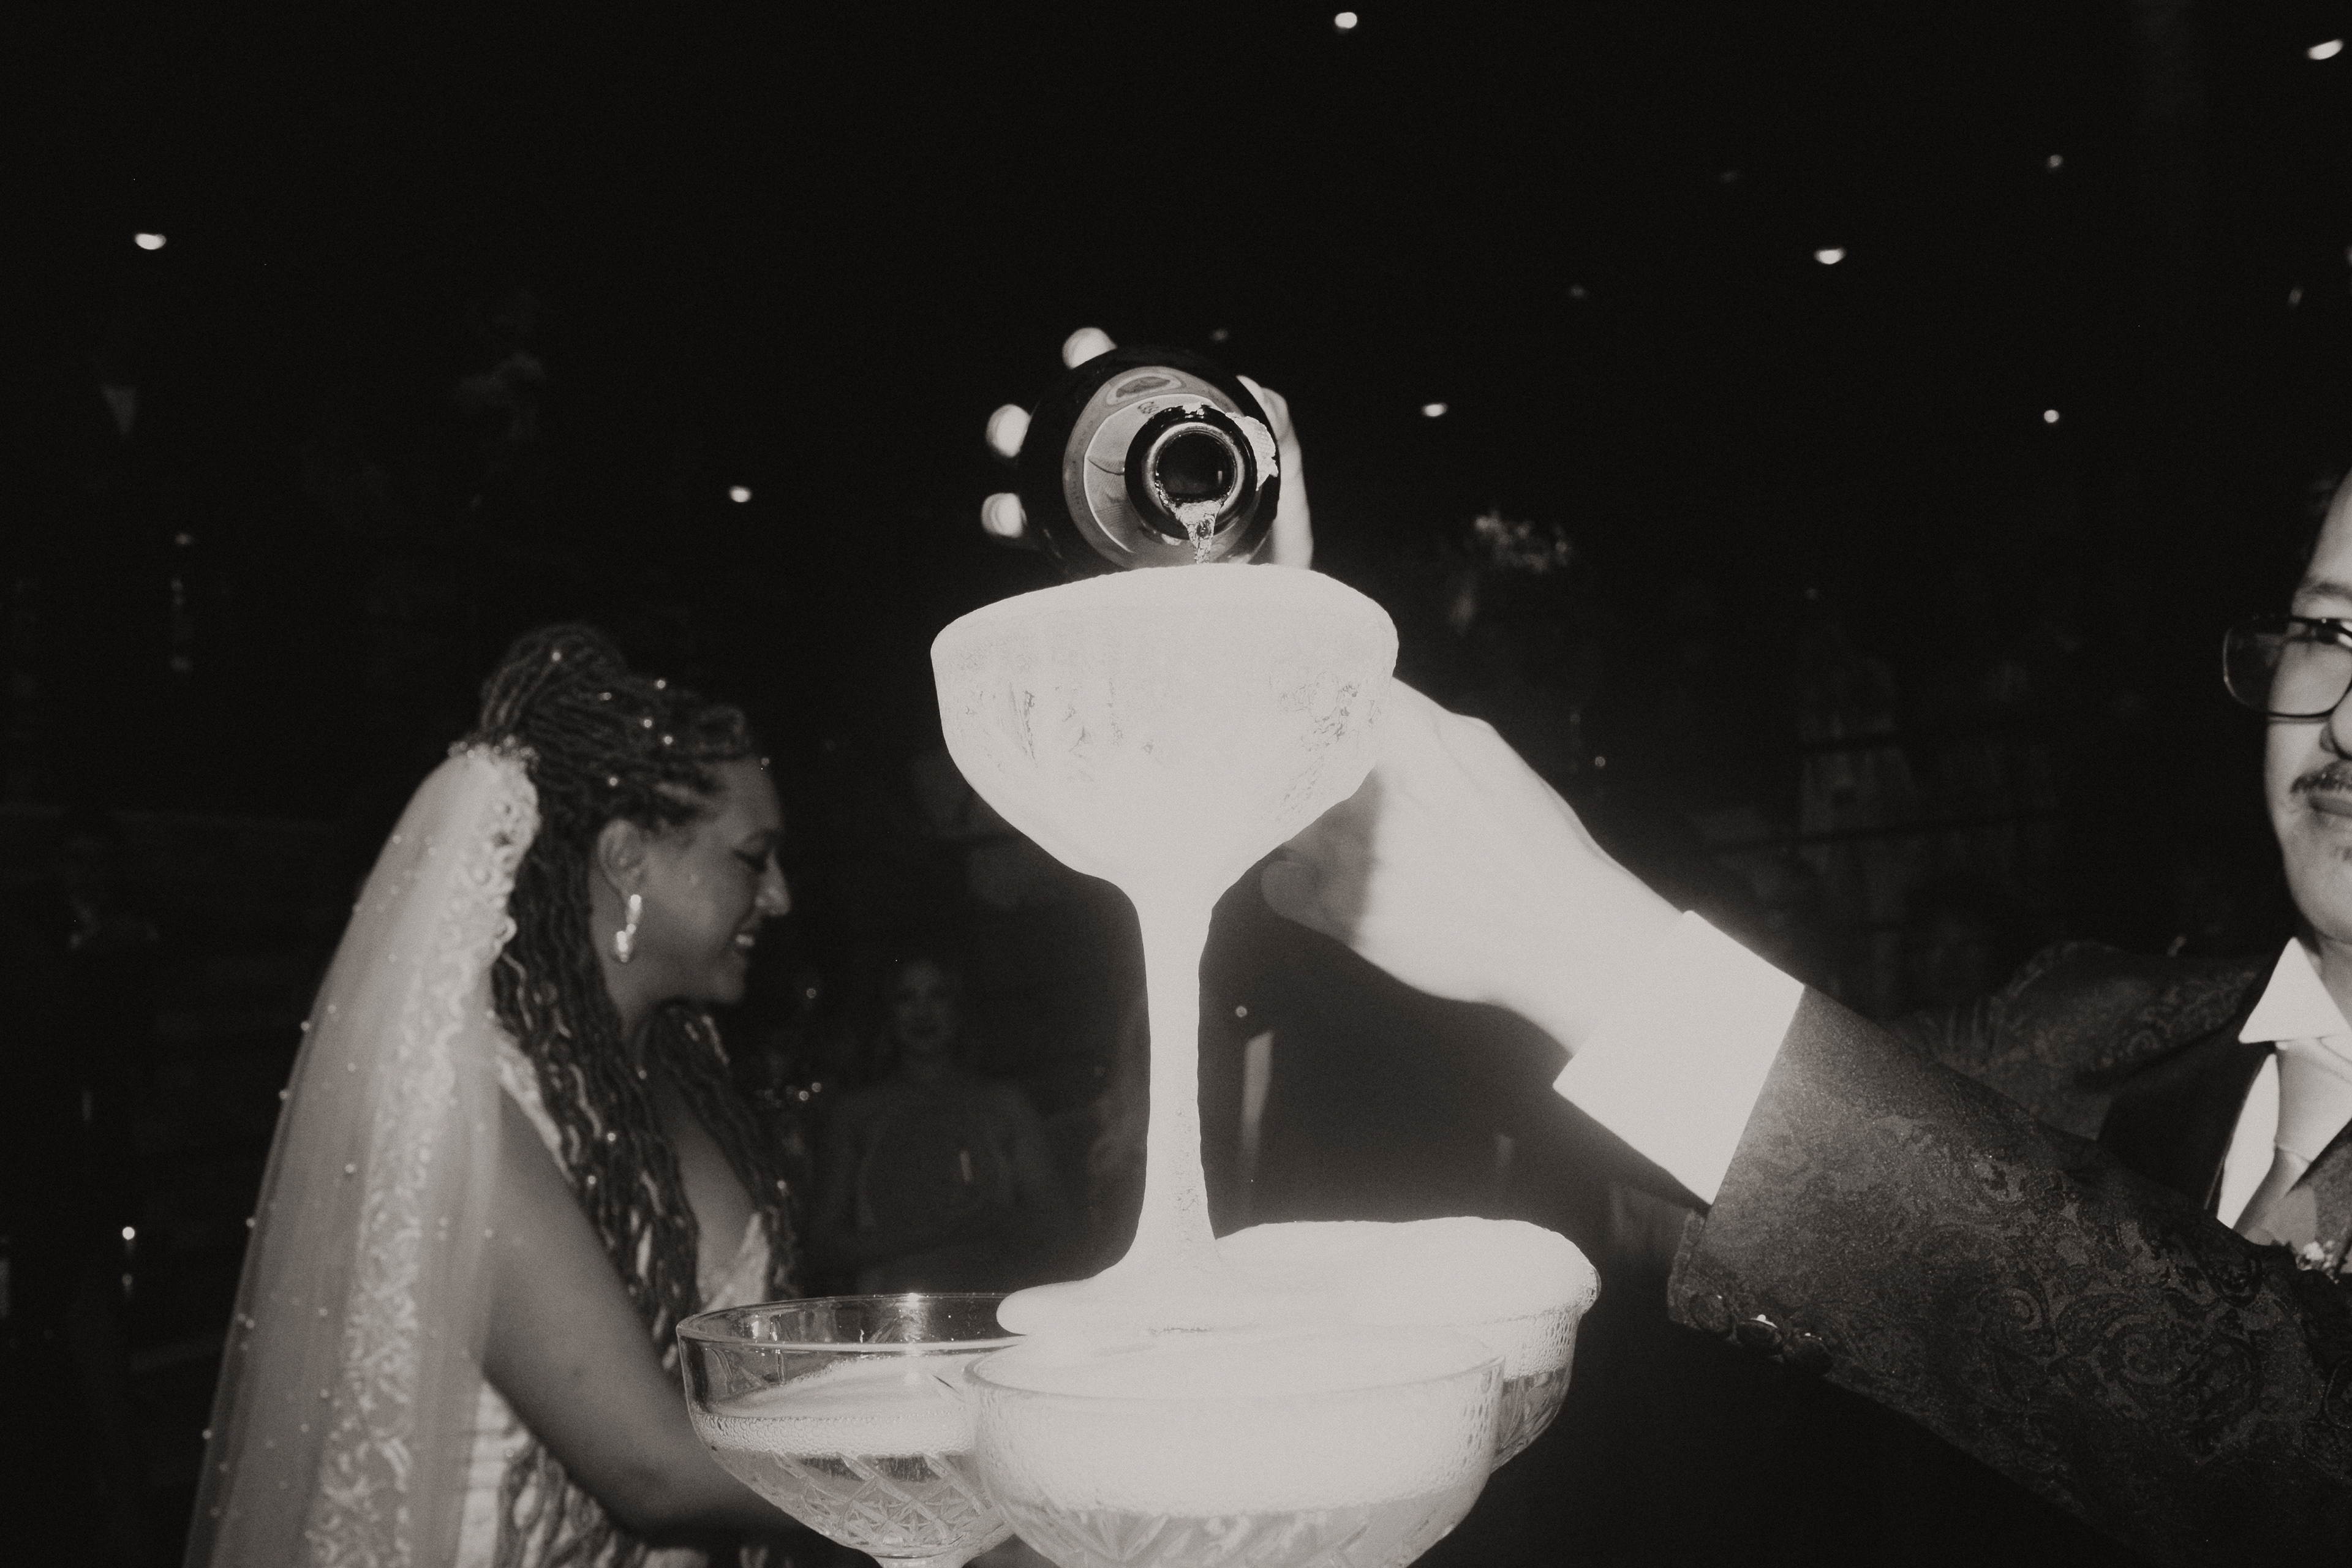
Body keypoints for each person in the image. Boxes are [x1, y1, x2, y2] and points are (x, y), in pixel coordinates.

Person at [1257, 484, 2352, 1564]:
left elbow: (2280, 1431)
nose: (2346, 720)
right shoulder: (2088, 1024)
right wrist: (1291, 700)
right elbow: (1753, 1160)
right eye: (2328, 630)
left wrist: (1575, 938)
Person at [187, 625, 809, 1567]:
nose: (781, 898)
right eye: (752, 859)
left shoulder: (679, 1064)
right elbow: (651, 1468)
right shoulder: (465, 1098)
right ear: (627, 858)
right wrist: (969, 1478)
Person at [810, 954, 1070, 1291]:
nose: (923, 1013)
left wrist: (996, 1223)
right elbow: (822, 1246)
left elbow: (1056, 1225)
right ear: (889, 1012)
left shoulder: (1004, 1105)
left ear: (958, 1008)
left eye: (938, 995)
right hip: (893, 1311)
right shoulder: (857, 1114)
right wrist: (938, 1231)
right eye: (907, 998)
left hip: (992, 1306)